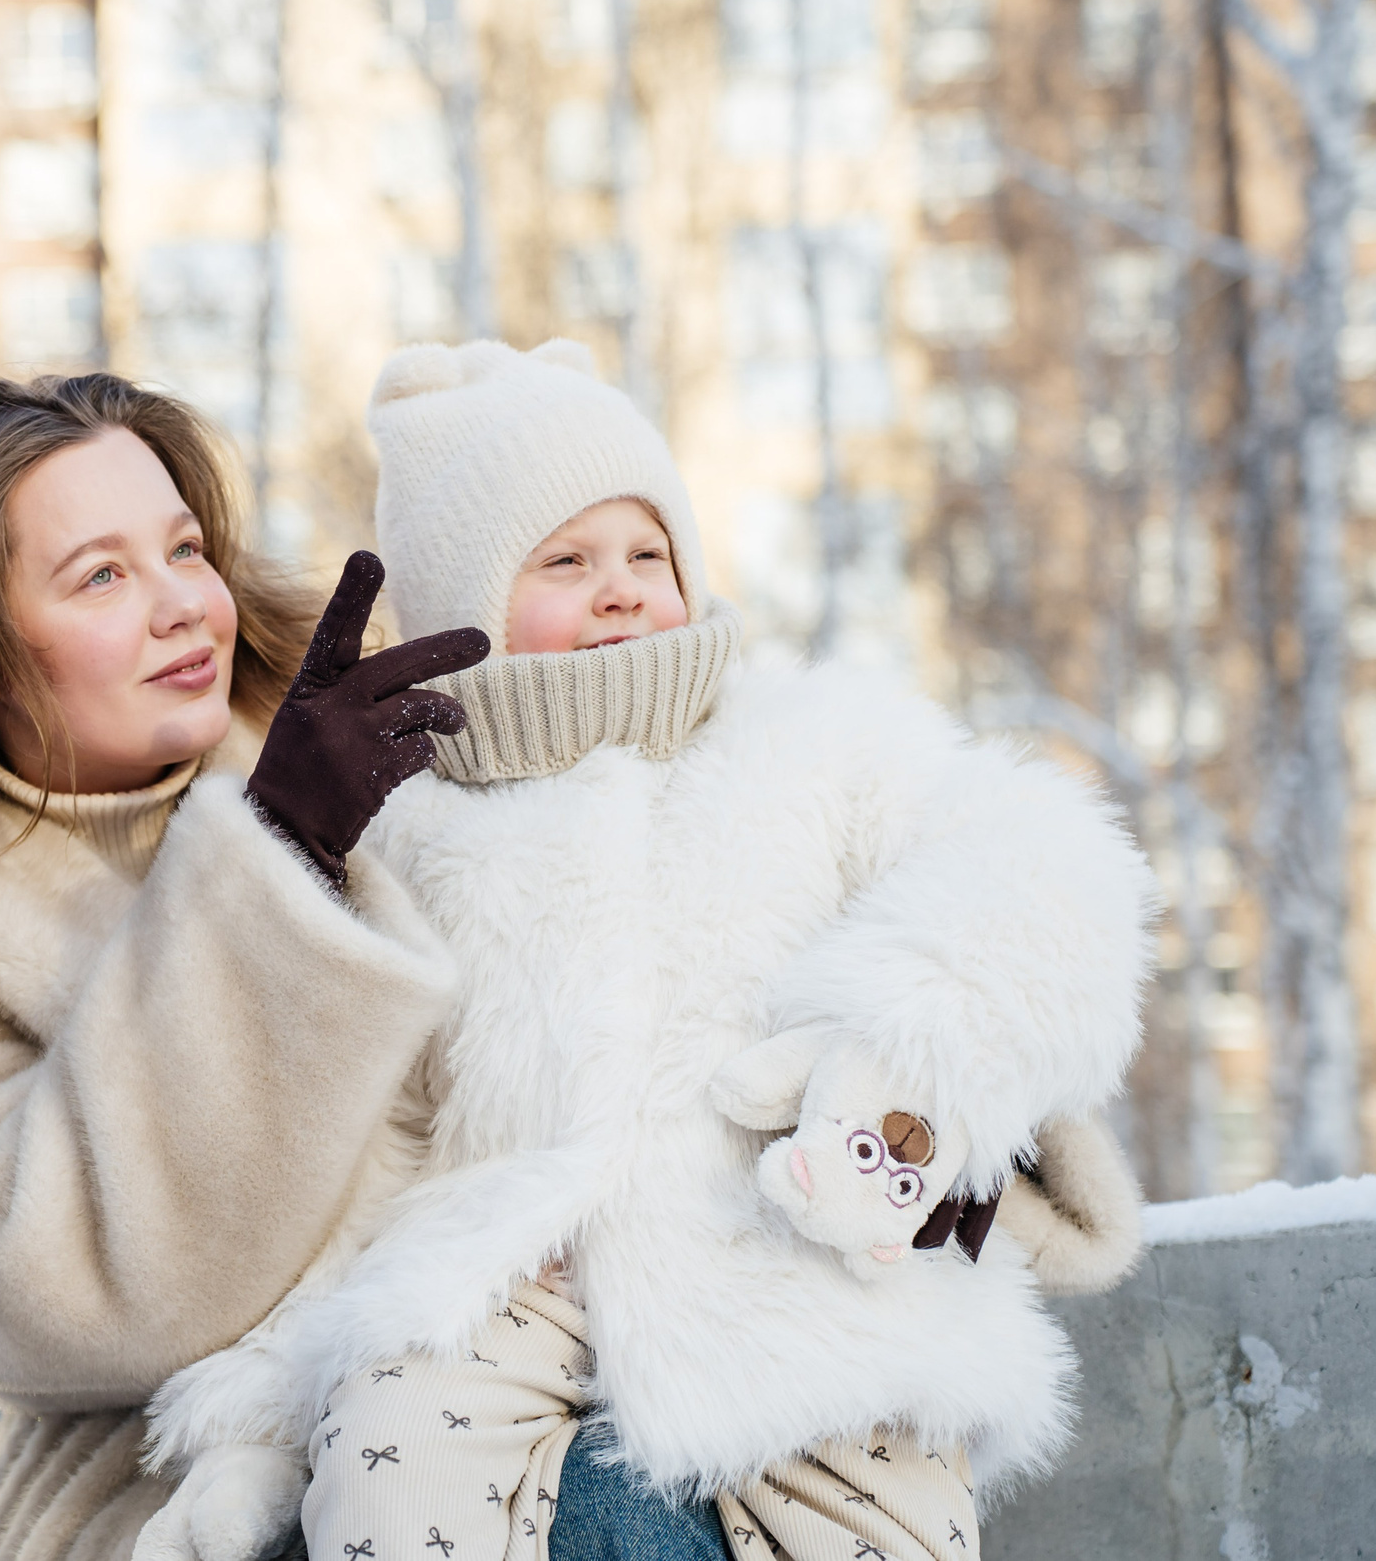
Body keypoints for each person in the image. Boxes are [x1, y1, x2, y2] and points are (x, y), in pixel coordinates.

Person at [146, 338, 1155, 1561]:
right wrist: (259, 1425)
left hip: (795, 1257)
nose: (620, 588)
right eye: (564, 561)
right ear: (463, 603)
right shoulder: (408, 832)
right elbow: (354, 1146)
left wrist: (910, 1051)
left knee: (888, 1515)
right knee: (387, 1469)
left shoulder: (815, 745)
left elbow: (1034, 867)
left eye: (647, 552)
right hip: (508, 1278)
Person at [0, 374, 748, 1561]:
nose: (182, 604)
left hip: (531, 1399)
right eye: (102, 577)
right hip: (179, 1502)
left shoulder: (391, 750)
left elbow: (661, 988)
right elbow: (68, 1307)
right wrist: (276, 866)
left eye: (185, 549)